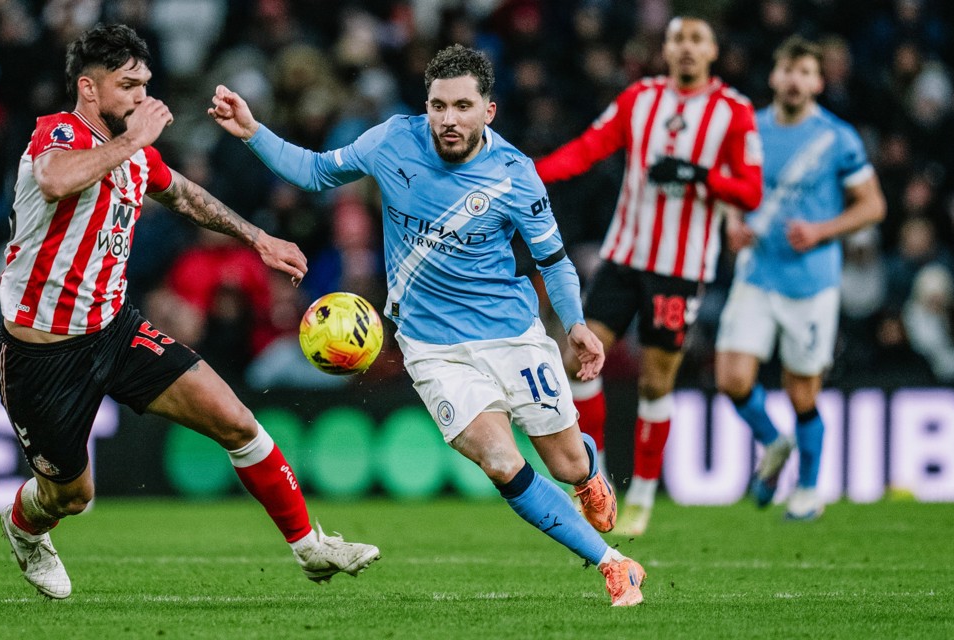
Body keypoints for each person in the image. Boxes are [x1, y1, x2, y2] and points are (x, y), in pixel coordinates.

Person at [211, 44, 645, 607]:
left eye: (463, 105)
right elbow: (317, 172)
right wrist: (252, 131)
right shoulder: (392, 139)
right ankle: (613, 564)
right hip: (431, 348)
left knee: (563, 462)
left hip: (512, 336)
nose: (449, 118)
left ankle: (586, 474)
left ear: (488, 110)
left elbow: (553, 260)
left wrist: (577, 325)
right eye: (439, 105)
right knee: (500, 462)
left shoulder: (515, 175)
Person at [0, 24, 379, 600]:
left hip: (113, 328)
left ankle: (310, 547)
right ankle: (25, 528)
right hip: (44, 355)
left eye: (145, 85)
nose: (141, 99)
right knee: (70, 498)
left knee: (237, 422)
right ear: (89, 89)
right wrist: (130, 143)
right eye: (128, 86)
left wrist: (258, 239)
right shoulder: (59, 134)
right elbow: (53, 181)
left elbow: (186, 196)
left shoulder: (136, 157)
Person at [535, 16, 763, 536]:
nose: (686, 49)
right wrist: (532, 171)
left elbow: (751, 191)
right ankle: (598, 483)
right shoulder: (640, 98)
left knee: (655, 381)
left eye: (696, 40)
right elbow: (590, 147)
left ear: (712, 51)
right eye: (678, 39)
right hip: (624, 256)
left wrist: (698, 174)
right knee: (577, 362)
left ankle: (643, 492)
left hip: (679, 271)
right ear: (666, 48)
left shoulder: (733, 112)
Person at [715, 36, 885, 521]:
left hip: (811, 283)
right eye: (787, 70)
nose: (794, 80)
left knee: (802, 391)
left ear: (818, 81)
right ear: (774, 77)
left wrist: (822, 230)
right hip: (756, 275)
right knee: (731, 378)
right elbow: (729, 187)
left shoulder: (838, 138)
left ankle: (809, 489)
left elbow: (873, 205)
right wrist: (733, 224)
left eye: (805, 72)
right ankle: (774, 443)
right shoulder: (749, 130)